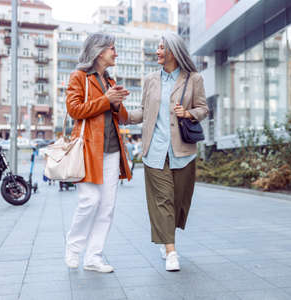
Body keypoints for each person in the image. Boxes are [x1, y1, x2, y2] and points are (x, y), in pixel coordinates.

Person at [126, 32, 209, 271]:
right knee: (162, 200)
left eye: (161, 48)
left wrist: (189, 113)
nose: (157, 52)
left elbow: (203, 108)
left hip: (182, 150)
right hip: (154, 150)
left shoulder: (193, 79)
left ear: (172, 51)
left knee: (177, 201)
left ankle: (166, 238)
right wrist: (122, 114)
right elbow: (143, 112)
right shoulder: (151, 79)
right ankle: (171, 251)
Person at [64, 33, 132, 273]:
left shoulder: (110, 81)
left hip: (112, 150)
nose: (116, 53)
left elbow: (121, 117)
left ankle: (94, 256)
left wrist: (116, 103)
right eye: (112, 48)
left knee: (107, 206)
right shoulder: (79, 77)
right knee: (89, 201)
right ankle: (73, 247)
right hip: (88, 149)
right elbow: (74, 109)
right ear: (98, 51)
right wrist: (106, 100)